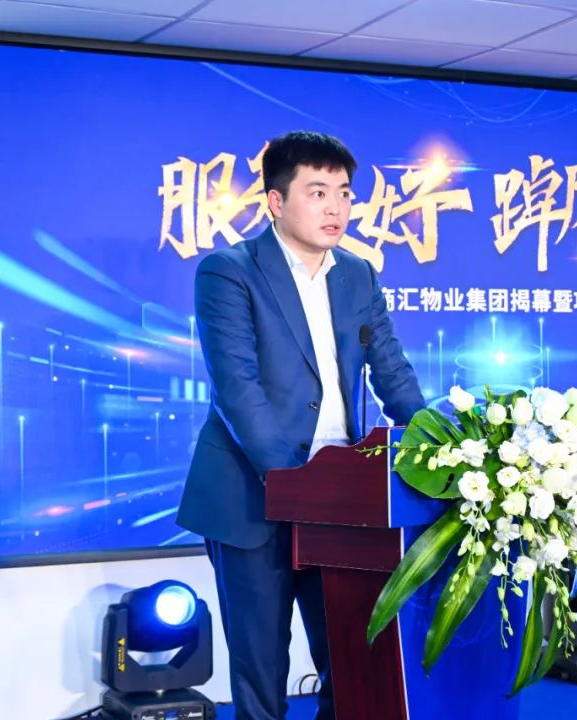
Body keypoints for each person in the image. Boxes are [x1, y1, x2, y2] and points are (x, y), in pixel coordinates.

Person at [177, 130, 424, 720]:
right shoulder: (229, 272)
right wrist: (297, 487)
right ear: (276, 201)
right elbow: (238, 390)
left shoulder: (359, 275)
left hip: (345, 508)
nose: (335, 207)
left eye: (344, 192)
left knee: (351, 666)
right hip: (253, 498)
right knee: (262, 677)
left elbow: (393, 374)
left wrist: (445, 452)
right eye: (317, 192)